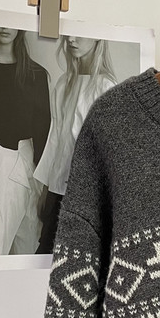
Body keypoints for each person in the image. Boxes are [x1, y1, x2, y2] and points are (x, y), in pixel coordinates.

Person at [34, 36, 117, 253]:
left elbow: (109, 153)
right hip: (57, 192)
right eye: (68, 34)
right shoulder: (63, 83)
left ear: (97, 39)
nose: (71, 39)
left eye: (79, 34)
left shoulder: (107, 88)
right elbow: (55, 139)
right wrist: (45, 188)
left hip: (86, 197)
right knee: (45, 254)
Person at [0, 26, 51, 255]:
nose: (5, 28)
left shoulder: (36, 74)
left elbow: (43, 131)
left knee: (26, 251)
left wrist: (45, 187)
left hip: (28, 174)